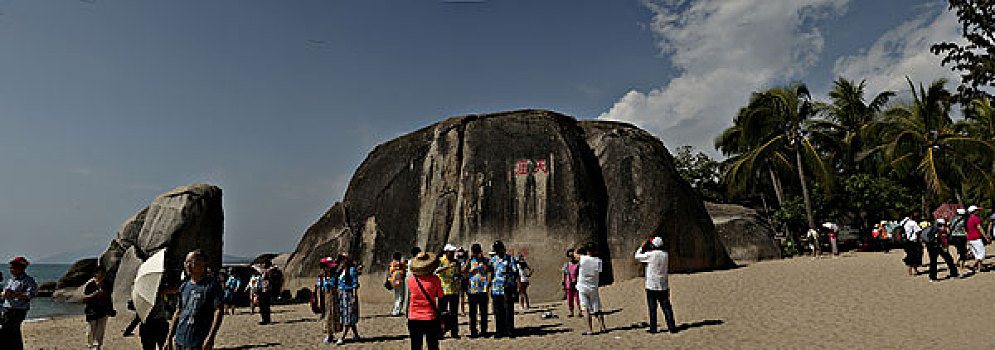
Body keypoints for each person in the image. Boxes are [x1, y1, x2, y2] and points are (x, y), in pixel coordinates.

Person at [165, 250, 224, 350]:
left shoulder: (211, 285)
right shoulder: (184, 286)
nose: (187, 266)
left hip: (198, 341)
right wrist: (169, 337)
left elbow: (218, 311)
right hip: (180, 339)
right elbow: (178, 312)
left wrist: (211, 337)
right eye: (186, 263)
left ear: (202, 264)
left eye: (191, 262)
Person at [635, 237, 678, 333]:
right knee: (666, 307)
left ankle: (653, 328)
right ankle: (672, 327)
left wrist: (641, 247)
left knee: (652, 308)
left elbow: (637, 256)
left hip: (651, 285)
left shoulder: (650, 255)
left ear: (653, 245)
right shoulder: (665, 255)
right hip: (663, 285)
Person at [407, 252, 443, 350]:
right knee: (432, 345)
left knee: (415, 345)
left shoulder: (411, 279)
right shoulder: (435, 280)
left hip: (413, 316)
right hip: (430, 316)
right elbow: (440, 295)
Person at [1, 256, 38, 350]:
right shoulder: (11, 280)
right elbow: (5, 294)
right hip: (7, 309)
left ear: (19, 268)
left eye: (12, 268)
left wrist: (14, 294)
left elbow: (30, 295)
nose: (10, 270)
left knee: (6, 333)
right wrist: (5, 294)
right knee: (13, 334)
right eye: (10, 268)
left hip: (18, 310)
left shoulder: (28, 280)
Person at [488, 240, 519, 338]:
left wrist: (516, 287)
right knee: (498, 312)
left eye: (499, 249)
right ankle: (499, 331)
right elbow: (491, 273)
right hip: (496, 289)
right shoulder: (493, 260)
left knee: (508, 311)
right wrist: (489, 287)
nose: (498, 252)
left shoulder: (510, 259)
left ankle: (510, 331)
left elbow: (515, 273)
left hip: (507, 289)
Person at [575, 243, 607, 335]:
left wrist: (579, 248)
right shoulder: (598, 261)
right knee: (597, 308)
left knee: (586, 309)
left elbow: (575, 253)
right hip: (593, 287)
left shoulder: (583, 259)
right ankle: (602, 327)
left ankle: (590, 329)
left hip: (582, 287)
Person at [462, 243, 490, 338]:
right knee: (473, 312)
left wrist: (482, 260)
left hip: (483, 289)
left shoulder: (485, 260)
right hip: (472, 289)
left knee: (483, 311)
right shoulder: (469, 261)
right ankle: (473, 331)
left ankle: (484, 330)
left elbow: (487, 270)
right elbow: (463, 271)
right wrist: (469, 260)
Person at [141, 282, 179, 350]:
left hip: (148, 322)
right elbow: (173, 290)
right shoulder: (158, 288)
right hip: (156, 323)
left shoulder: (141, 291)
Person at [434, 244, 461, 338]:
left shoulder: (456, 262)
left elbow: (458, 272)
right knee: (441, 312)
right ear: (446, 252)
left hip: (454, 290)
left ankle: (454, 332)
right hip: (443, 290)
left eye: (453, 252)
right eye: (451, 252)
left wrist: (457, 276)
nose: (453, 254)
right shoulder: (440, 260)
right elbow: (436, 271)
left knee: (454, 312)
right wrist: (448, 266)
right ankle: (440, 332)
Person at [83, 267, 113, 350]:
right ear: (96, 274)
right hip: (91, 311)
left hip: (103, 310)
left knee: (100, 330)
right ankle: (89, 346)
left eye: (103, 273)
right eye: (101, 273)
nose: (103, 275)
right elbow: (84, 297)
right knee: (90, 330)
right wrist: (93, 294)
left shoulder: (106, 284)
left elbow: (109, 298)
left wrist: (111, 309)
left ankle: (98, 346)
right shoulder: (90, 285)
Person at [336, 254, 362, 345]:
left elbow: (355, 285)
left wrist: (354, 296)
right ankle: (356, 335)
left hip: (349, 295)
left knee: (348, 317)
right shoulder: (341, 271)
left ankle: (342, 337)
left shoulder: (351, 271)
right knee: (347, 317)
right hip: (342, 295)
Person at [319, 258, 342, 344]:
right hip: (326, 297)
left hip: (333, 297)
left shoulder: (335, 276)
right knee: (327, 315)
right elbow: (320, 287)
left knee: (333, 315)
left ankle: (331, 334)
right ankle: (329, 334)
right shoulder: (322, 277)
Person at [965, 205, 988, 273]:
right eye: (977, 210)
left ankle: (979, 268)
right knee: (981, 254)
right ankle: (973, 265)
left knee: (977, 254)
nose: (978, 211)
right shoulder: (976, 218)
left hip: (970, 239)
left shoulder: (968, 219)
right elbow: (979, 228)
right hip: (976, 238)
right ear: (974, 211)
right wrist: (985, 236)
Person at [387, 252, 408, 316]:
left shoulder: (392, 264)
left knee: (396, 296)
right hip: (399, 281)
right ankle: (396, 311)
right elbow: (405, 269)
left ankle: (395, 310)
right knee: (400, 296)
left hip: (393, 282)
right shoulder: (401, 264)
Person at [561, 249, 580, 318]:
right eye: (569, 256)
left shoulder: (578, 264)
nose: (571, 257)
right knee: (569, 299)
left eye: (572, 256)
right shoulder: (566, 265)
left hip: (577, 283)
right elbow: (563, 274)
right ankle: (571, 312)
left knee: (578, 298)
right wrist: (563, 283)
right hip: (569, 284)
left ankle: (580, 311)